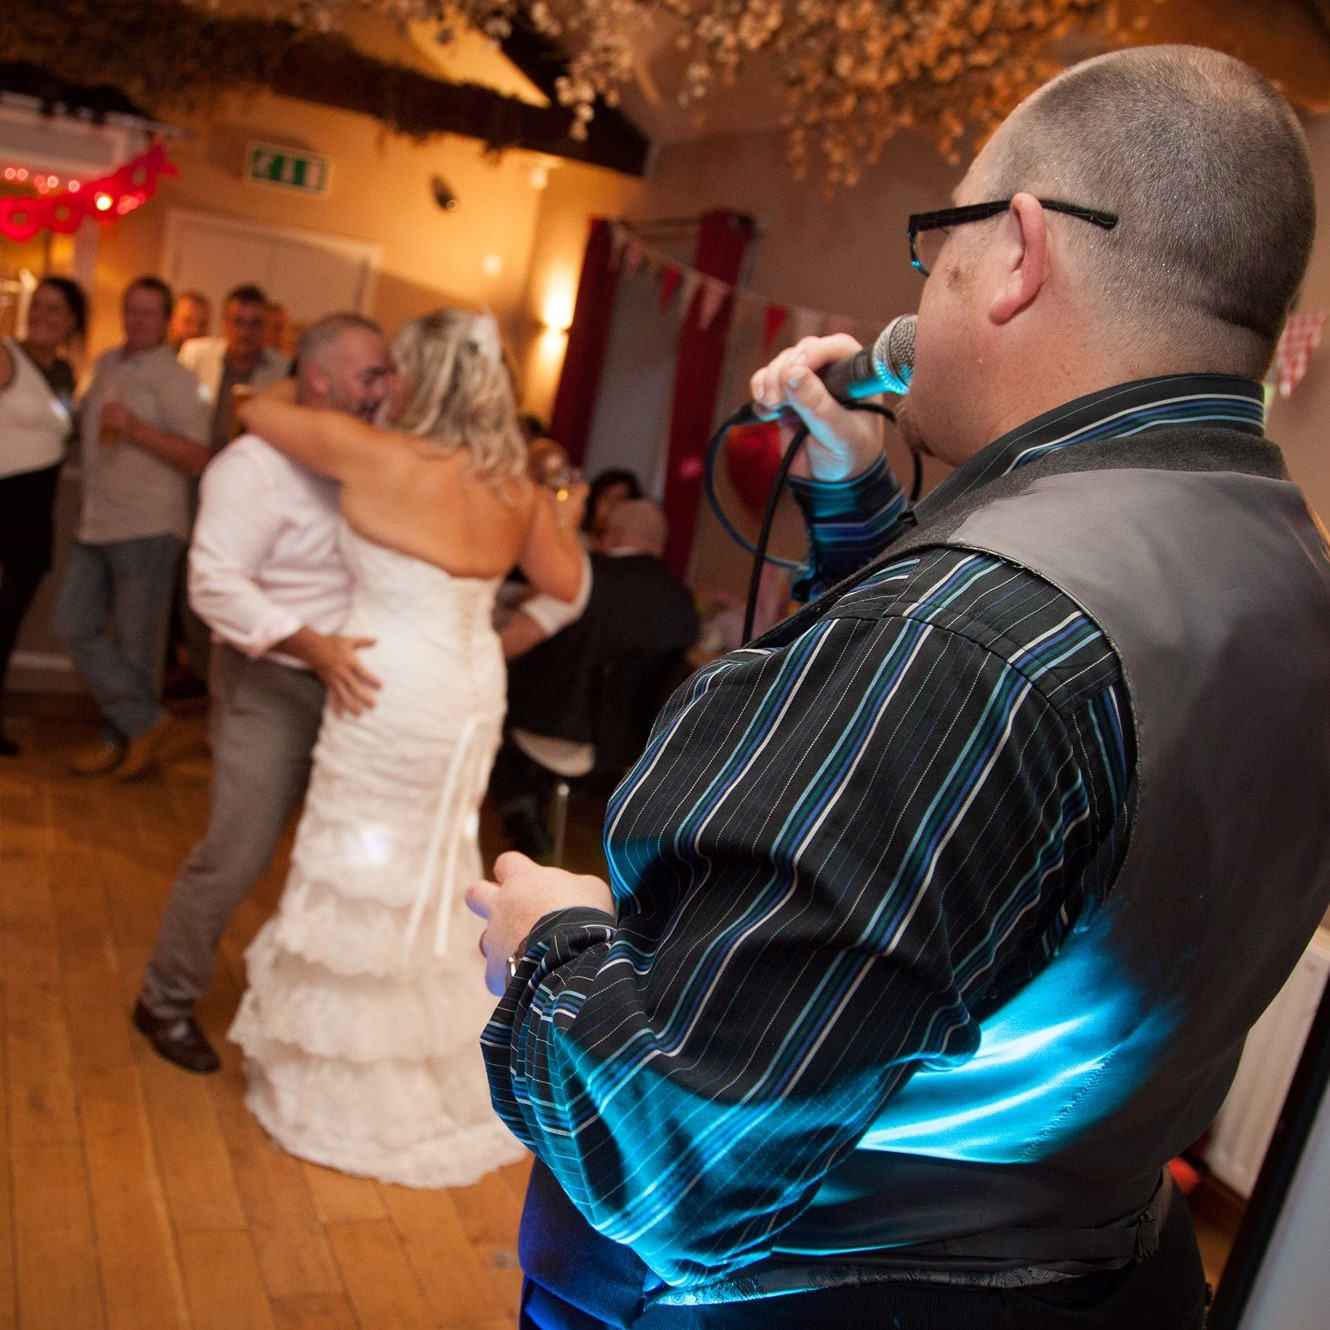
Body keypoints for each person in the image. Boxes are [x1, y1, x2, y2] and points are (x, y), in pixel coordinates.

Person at [467, 45, 1330, 1330]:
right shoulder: (1281, 561)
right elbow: (1018, 804)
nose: (917, 293)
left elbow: (679, 1159)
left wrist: (551, 940)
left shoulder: (969, 635)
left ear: (1021, 251)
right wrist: (853, 492)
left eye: (938, 252)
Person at [226, 307, 586, 1187]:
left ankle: (348, 1079)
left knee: (365, 861)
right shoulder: (518, 490)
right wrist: (503, 633)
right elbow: (569, 585)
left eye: (395, 371)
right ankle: (447, 1062)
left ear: (415, 381)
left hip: (385, 690)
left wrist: (317, 376)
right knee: (434, 867)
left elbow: (249, 405)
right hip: (467, 696)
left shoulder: (367, 451)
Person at [132, 312, 395, 1074]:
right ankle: (164, 997)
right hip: (270, 678)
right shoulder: (251, 467)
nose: (384, 390)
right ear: (316, 380)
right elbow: (213, 585)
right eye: (368, 375)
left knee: (345, 856)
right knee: (240, 849)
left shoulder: (365, 457)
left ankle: (302, 1011)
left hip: (349, 685)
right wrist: (310, 644)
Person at [54, 276, 210, 780]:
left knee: (136, 647)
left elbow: (196, 455)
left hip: (148, 526)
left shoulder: (177, 379)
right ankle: (143, 722)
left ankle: (119, 743)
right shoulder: (105, 364)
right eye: (130, 310)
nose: (136, 320)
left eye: (147, 313)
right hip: (97, 522)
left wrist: (138, 429)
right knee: (72, 623)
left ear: (165, 321)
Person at [491, 498, 698, 858]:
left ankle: (521, 816)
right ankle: (527, 813)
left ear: (612, 534)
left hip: (557, 728)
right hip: (639, 744)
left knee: (491, 700)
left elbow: (507, 645)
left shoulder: (583, 577)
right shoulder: (681, 600)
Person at [0, 276, 86, 757]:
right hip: (4, 500)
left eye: (56, 310)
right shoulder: (6, 354)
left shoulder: (68, 374)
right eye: (39, 307)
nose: (43, 317)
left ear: (73, 320)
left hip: (35, 514)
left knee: (7, 624)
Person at [179, 283, 292, 456]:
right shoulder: (196, 354)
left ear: (265, 326)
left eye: (255, 324)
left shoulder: (282, 369)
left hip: (245, 467)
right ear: (225, 323)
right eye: (238, 321)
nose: (245, 332)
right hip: (191, 464)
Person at [581, 467, 643, 550]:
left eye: (620, 499)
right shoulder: (578, 538)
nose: (612, 504)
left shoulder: (632, 546)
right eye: (607, 497)